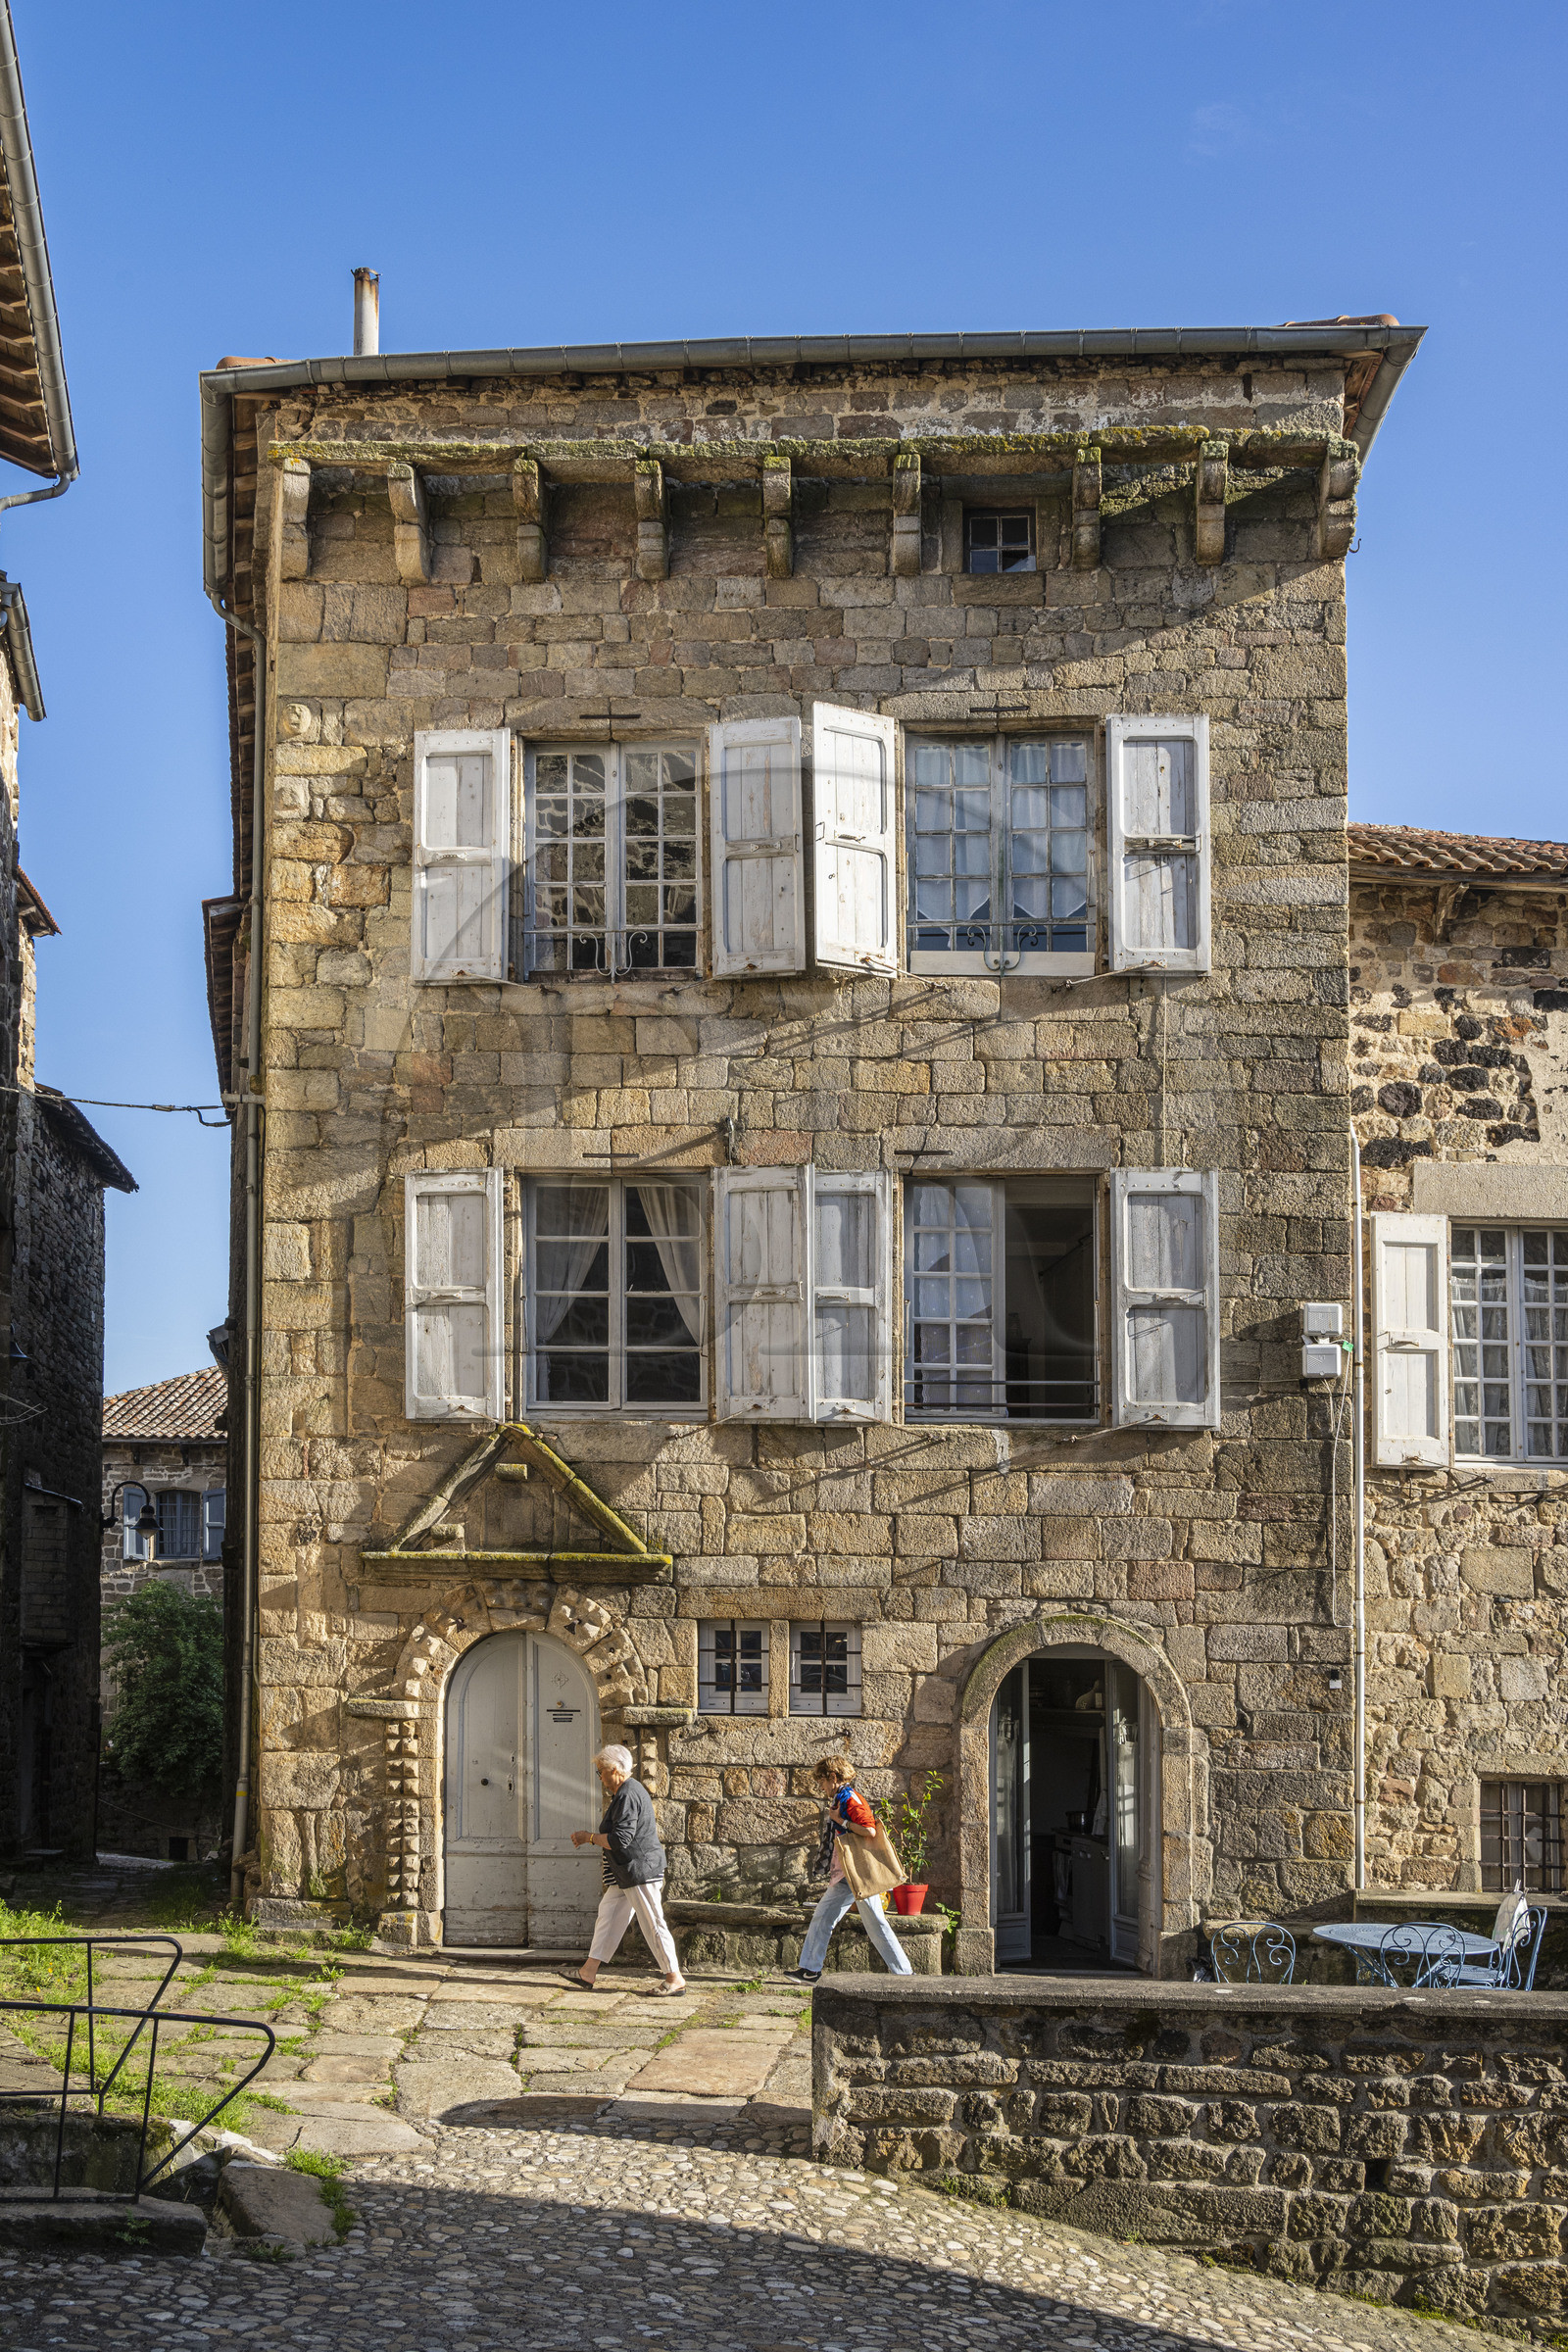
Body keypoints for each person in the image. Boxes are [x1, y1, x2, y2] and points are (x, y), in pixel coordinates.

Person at [786, 1755, 913, 1985]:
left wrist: (841, 1822)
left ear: (833, 1777)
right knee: (823, 1917)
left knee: (875, 1923)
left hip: (858, 1873)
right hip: (846, 1872)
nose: (821, 1787)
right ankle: (810, 1970)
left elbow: (870, 1830)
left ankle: (905, 1974)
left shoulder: (850, 1799)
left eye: (822, 1782)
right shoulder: (842, 1798)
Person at [570, 1744, 686, 1995]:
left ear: (615, 1770)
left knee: (652, 1922)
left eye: (601, 1771)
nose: (600, 1777)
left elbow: (619, 1839)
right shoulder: (625, 1792)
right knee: (608, 1915)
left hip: (639, 1871)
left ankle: (674, 1977)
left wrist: (589, 1837)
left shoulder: (628, 1794)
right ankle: (587, 1972)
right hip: (626, 1872)